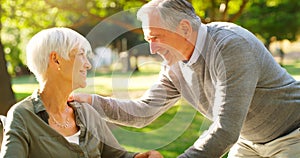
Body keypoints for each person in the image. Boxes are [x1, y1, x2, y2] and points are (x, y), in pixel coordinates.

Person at [71, 0, 300, 157]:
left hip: (292, 134)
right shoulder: (175, 65)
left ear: (184, 27)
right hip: (249, 141)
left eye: (157, 37)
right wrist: (91, 102)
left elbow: (225, 129)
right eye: (148, 39)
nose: (152, 49)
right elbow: (144, 111)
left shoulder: (231, 47)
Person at [0, 27, 163, 158]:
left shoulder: (87, 113)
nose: (88, 65)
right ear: (56, 59)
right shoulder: (22, 116)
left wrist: (143, 156)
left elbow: (116, 155)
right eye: (81, 55)